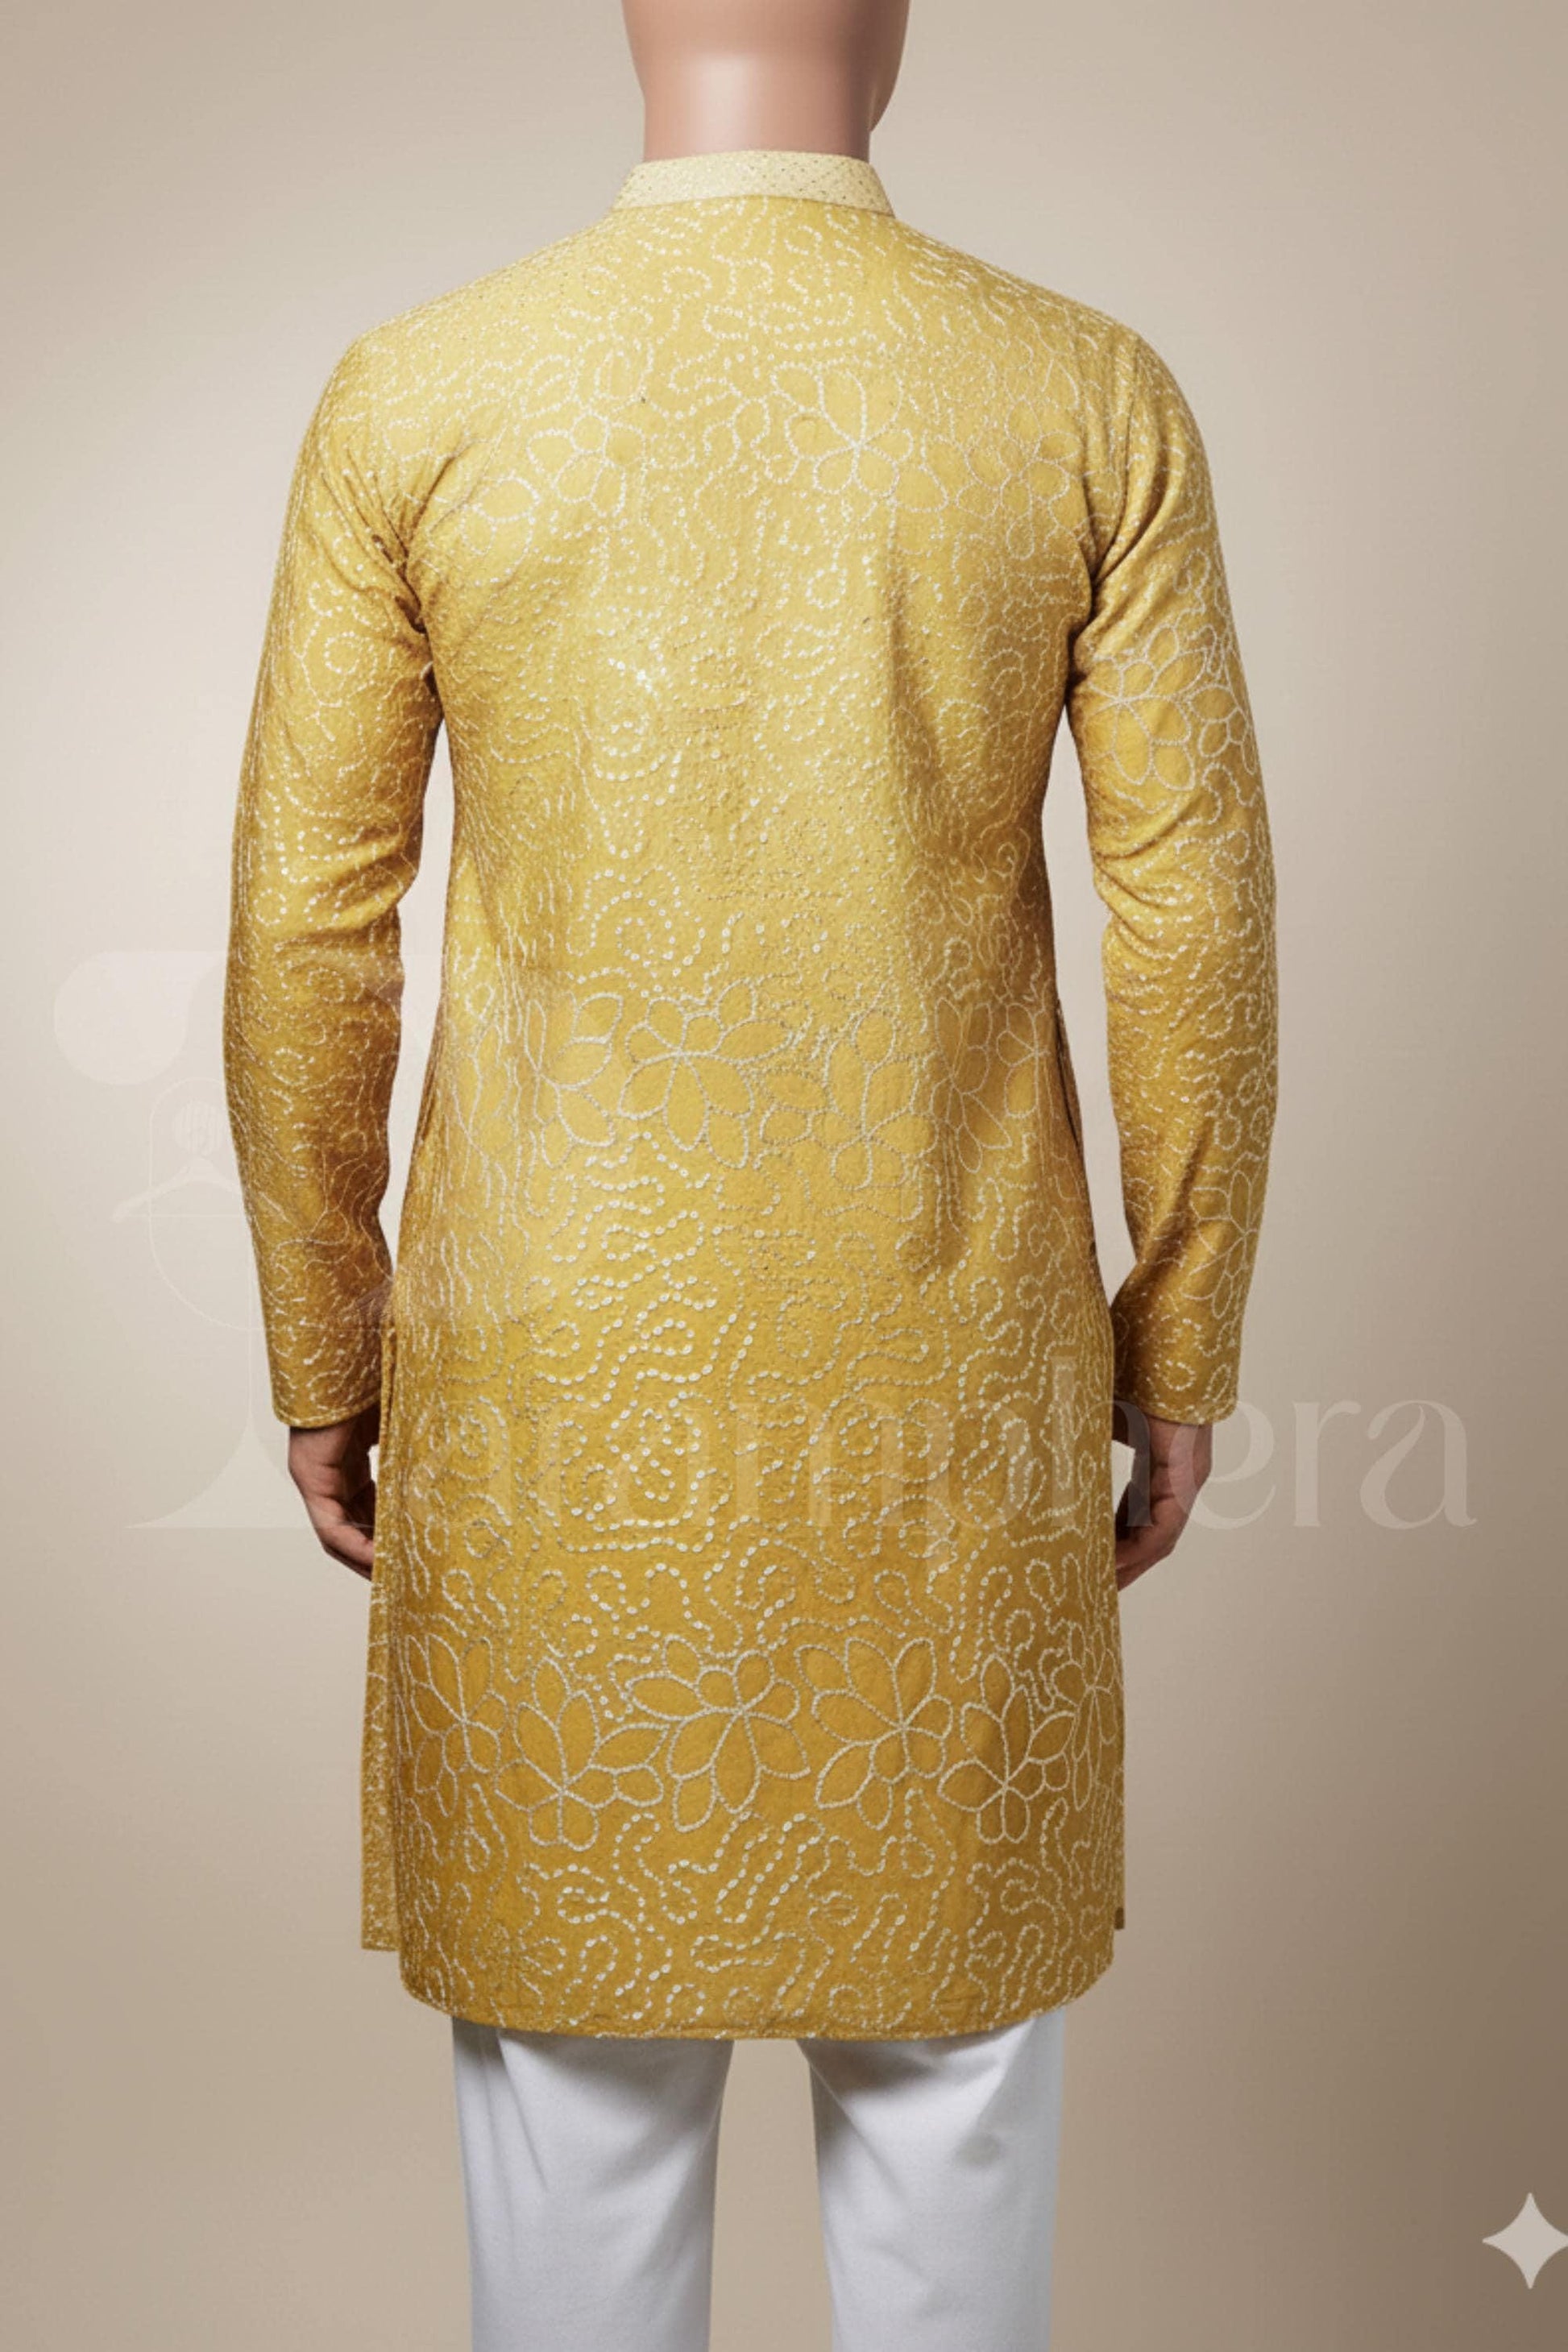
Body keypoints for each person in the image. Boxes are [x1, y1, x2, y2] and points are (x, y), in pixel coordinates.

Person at [222, 1, 1278, 2342]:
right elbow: (1191, 912)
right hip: (949, 1370)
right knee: (955, 2106)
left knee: (576, 2122)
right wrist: (1179, 1335)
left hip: (558, 1392)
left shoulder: (424, 391)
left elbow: (309, 919)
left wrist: (323, 1345)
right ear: (890, 30)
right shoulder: (1078, 392)